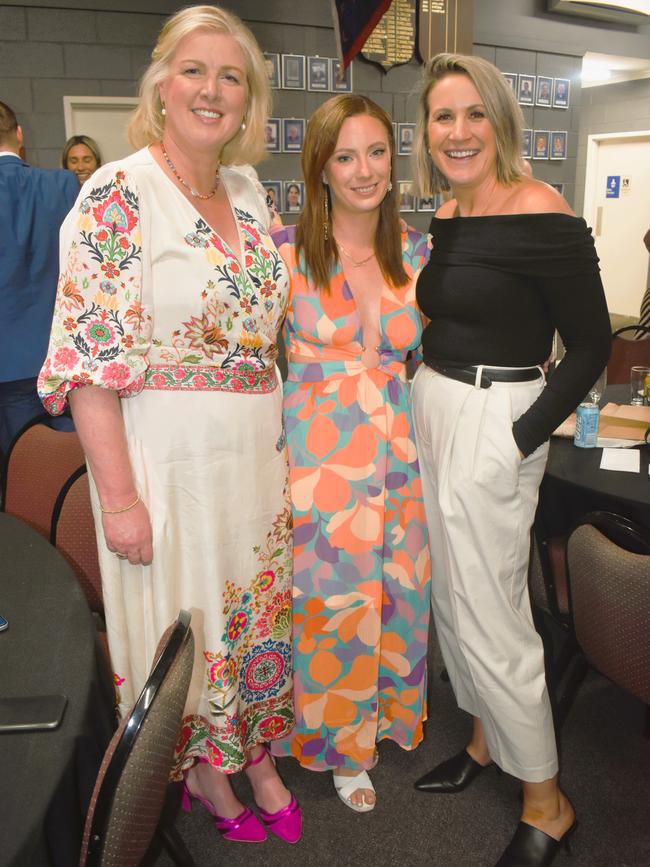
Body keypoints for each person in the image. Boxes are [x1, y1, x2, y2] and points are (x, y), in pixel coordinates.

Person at [38, 5, 301, 845]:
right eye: (195, 69)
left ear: (250, 99)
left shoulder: (251, 191)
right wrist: (118, 499)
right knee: (185, 624)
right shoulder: (117, 191)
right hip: (167, 461)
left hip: (252, 463)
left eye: (232, 76)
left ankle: (252, 749)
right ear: (160, 82)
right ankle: (204, 770)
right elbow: (86, 362)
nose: (211, 89)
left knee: (251, 613)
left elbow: (270, 338)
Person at [410, 53, 610, 866]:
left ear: (501, 121)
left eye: (472, 115)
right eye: (442, 117)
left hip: (500, 412)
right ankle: (487, 737)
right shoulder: (450, 213)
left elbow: (592, 345)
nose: (457, 133)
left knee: (493, 609)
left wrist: (520, 437)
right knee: (452, 601)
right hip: (437, 403)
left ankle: (547, 799)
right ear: (426, 133)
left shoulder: (542, 209)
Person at [271, 94, 431, 812]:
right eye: (345, 156)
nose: (363, 169)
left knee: (395, 592)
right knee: (331, 604)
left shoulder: (421, 252)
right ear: (321, 169)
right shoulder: (284, 251)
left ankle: (385, 719)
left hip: (398, 455)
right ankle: (340, 749)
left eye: (375, 151)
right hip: (320, 459)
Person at [0, 101, 78, 457]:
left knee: (18, 475)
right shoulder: (63, 186)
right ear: (19, 134)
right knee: (76, 464)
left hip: (7, 368)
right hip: (64, 355)